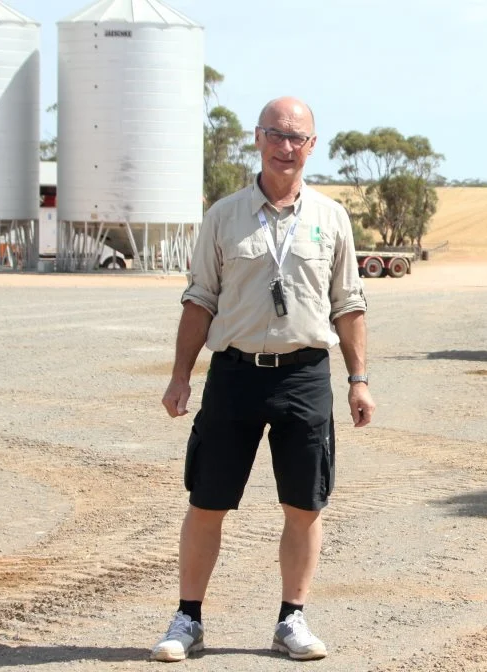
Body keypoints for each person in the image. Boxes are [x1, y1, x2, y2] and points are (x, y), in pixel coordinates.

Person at [151, 96, 375, 662]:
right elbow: (199, 300)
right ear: (258, 138)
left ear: (312, 145)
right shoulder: (224, 217)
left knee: (305, 507)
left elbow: (348, 303)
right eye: (276, 134)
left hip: (304, 378)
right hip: (234, 377)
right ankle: (188, 619)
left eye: (297, 136)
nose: (286, 146)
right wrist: (181, 376)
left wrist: (358, 378)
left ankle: (291, 621)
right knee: (208, 501)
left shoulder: (331, 219)